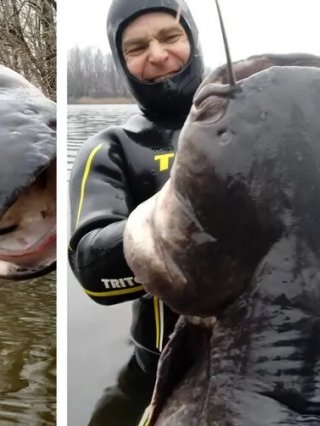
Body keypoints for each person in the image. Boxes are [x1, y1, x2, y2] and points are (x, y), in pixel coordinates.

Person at [68, 0, 204, 424]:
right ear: (121, 61)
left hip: (279, 360)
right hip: (159, 370)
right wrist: (186, 205)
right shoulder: (111, 148)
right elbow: (92, 274)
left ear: (194, 41)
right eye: (137, 47)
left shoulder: (255, 120)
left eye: (171, 36)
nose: (159, 55)